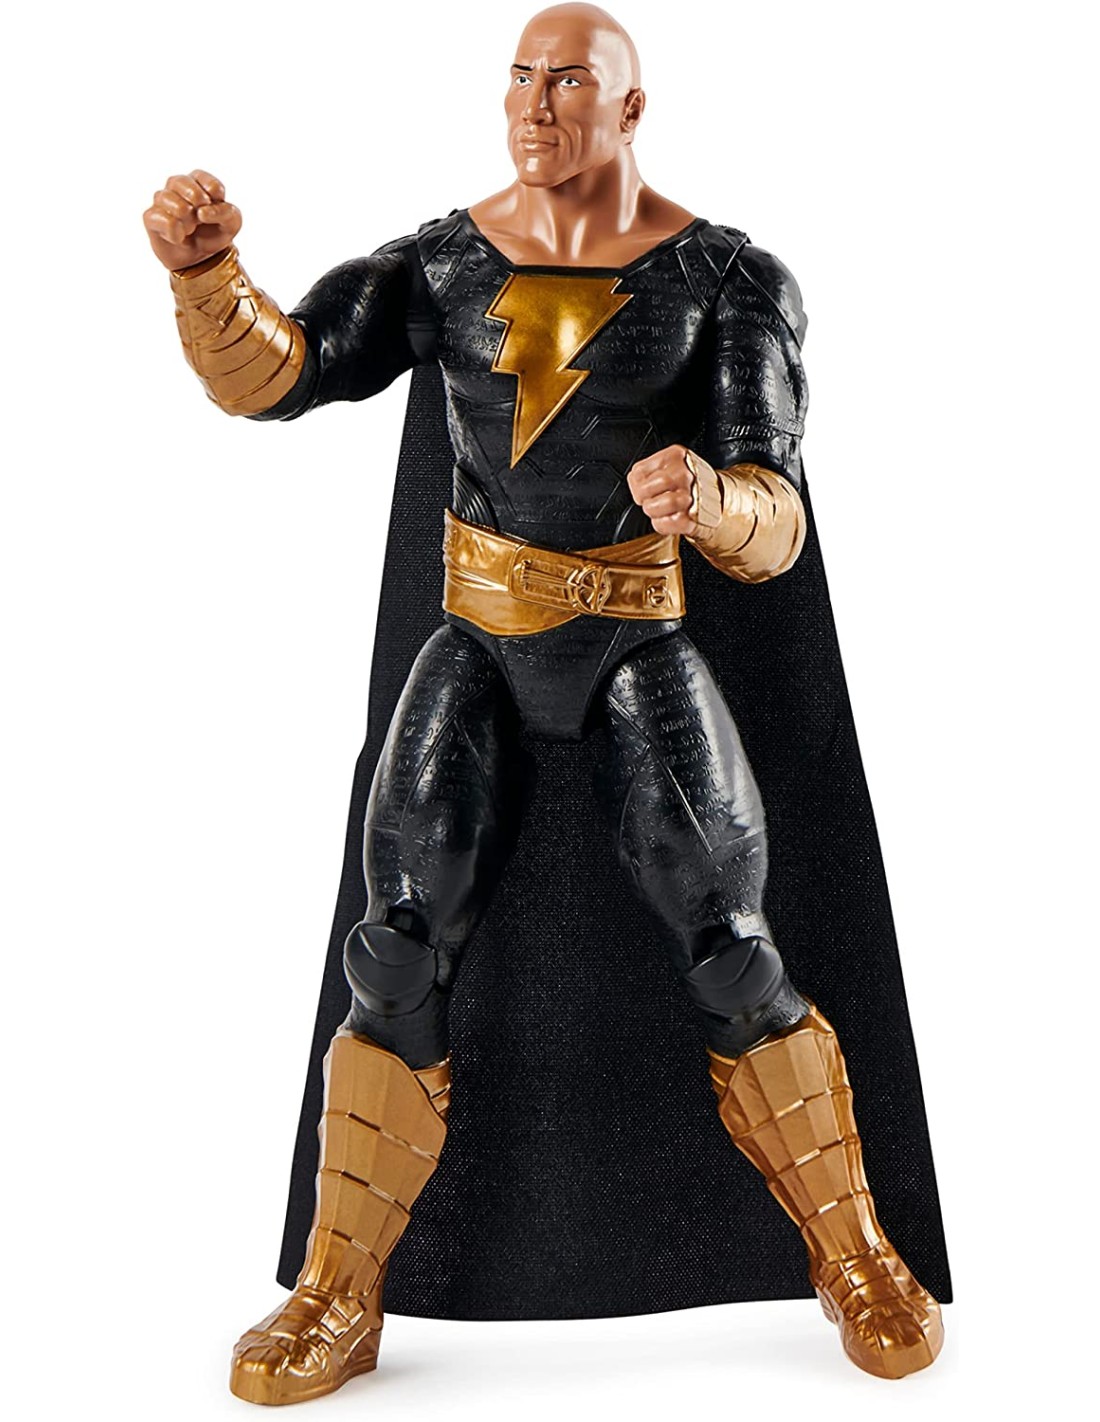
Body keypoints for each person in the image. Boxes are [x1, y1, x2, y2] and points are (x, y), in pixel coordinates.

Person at [144, 2, 945, 1403]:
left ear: (630, 108)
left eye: (569, 80)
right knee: (393, 950)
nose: (535, 102)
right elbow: (286, 372)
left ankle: (854, 1250)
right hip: (480, 642)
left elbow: (777, 515)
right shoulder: (443, 261)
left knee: (733, 949)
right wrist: (210, 278)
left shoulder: (724, 279)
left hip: (638, 643)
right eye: (519, 76)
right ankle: (339, 1291)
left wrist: (712, 500)